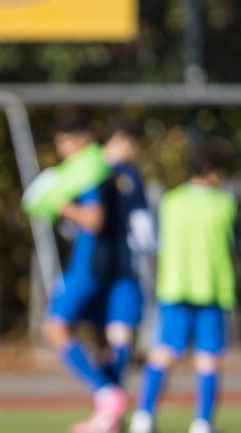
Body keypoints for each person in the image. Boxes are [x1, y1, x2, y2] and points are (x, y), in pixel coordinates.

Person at [127, 140, 238, 433]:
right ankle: (202, 425)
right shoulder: (224, 203)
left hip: (174, 288)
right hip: (211, 290)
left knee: (163, 352)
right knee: (209, 359)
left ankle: (143, 417)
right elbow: (232, 241)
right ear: (212, 172)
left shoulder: (170, 201)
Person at [37, 115, 130, 433]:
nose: (61, 151)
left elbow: (93, 219)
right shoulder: (105, 170)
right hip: (110, 266)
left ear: (77, 140)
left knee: (55, 327)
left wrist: (58, 203)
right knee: (105, 338)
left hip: (88, 266)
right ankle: (109, 415)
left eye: (62, 144)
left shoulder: (89, 172)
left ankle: (106, 392)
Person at [98, 115, 155, 394]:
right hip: (108, 267)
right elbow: (143, 226)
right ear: (121, 139)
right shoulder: (113, 172)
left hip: (109, 268)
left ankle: (110, 397)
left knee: (118, 333)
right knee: (110, 333)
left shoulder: (125, 173)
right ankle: (109, 394)